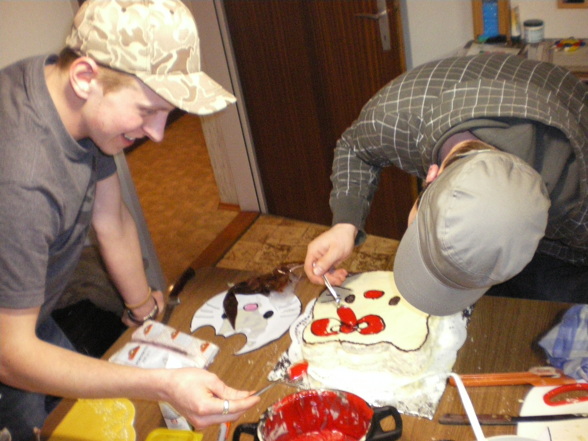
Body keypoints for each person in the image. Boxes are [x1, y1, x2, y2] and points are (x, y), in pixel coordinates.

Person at [0, 1, 259, 439]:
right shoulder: (23, 180)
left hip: (26, 317)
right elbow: (11, 355)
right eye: (146, 111)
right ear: (85, 77)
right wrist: (164, 384)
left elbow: (111, 218)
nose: (158, 133)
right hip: (11, 341)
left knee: (80, 412)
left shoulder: (62, 89)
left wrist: (144, 313)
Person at [304, 53, 588, 315]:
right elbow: (355, 148)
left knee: (551, 300)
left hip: (571, 163)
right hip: (479, 98)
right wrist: (345, 224)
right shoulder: (393, 118)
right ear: (432, 175)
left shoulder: (576, 204)